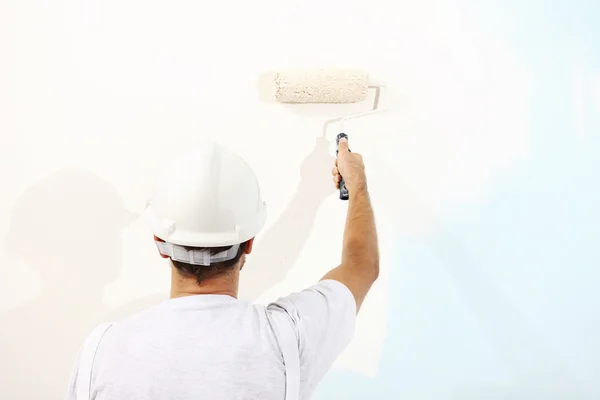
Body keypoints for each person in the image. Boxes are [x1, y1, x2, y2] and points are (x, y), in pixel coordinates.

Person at [65, 137, 379, 400]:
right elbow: (361, 265)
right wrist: (357, 182)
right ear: (250, 243)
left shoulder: (101, 353)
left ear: (159, 241)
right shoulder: (288, 338)